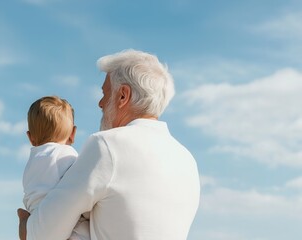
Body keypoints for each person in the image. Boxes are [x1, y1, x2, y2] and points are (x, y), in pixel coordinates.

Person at [18, 49, 200, 240]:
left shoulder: (107, 146)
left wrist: (24, 226)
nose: (100, 103)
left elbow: (43, 234)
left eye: (105, 93)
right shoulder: (187, 161)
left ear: (123, 95)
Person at [22, 96, 90, 240]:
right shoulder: (67, 154)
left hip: (37, 221)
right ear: (72, 134)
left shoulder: (31, 163)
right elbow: (82, 187)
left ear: (30, 137)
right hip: (69, 227)